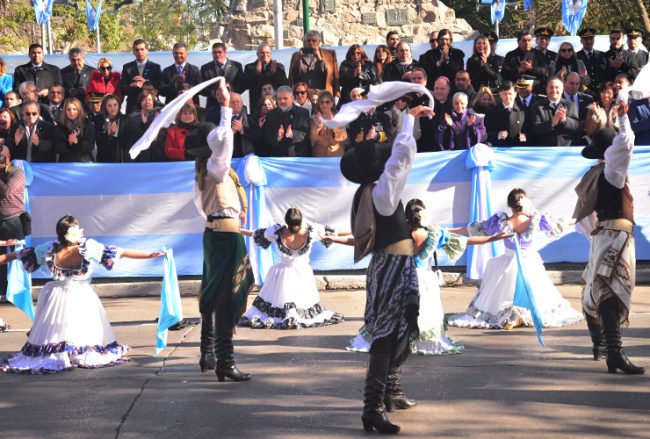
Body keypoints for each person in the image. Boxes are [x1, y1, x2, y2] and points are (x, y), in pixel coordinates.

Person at [335, 102, 434, 434]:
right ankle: (372, 407)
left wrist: (408, 121)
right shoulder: (381, 192)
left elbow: (398, 160)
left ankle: (389, 393)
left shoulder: (370, 190)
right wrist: (408, 121)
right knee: (386, 334)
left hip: (393, 263)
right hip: (392, 264)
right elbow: (402, 159)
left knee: (396, 329)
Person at [0, 215, 164, 373]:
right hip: (81, 293)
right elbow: (121, 252)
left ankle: (61, 353)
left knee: (56, 328)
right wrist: (150, 255)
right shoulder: (88, 247)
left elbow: (15, 255)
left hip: (55, 295)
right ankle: (76, 352)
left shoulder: (49, 248)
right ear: (75, 230)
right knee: (81, 326)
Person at [346, 198, 511, 356]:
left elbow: (362, 240)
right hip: (425, 280)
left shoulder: (396, 233)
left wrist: (332, 238)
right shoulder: (434, 234)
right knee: (425, 312)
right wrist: (493, 238)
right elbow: (466, 241)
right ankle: (423, 342)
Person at [191, 79, 255, 380]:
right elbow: (225, 141)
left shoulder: (210, 171)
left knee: (213, 292)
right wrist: (226, 108)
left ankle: (209, 354)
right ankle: (224, 361)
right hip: (223, 236)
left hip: (217, 233)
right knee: (225, 296)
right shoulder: (216, 169)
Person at [447, 188, 584, 330]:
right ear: (525, 202)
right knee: (534, 291)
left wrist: (448, 231)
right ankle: (520, 314)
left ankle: (511, 315)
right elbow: (561, 223)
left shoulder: (502, 221)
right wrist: (582, 217)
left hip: (507, 262)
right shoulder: (535, 219)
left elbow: (475, 229)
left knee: (502, 294)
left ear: (510, 205)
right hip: (530, 262)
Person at [574, 101, 644, 374]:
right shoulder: (612, 173)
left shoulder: (595, 175)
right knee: (610, 293)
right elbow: (625, 143)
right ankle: (613, 352)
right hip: (615, 236)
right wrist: (624, 116)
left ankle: (600, 346)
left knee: (597, 288)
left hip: (604, 235)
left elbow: (584, 219)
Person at [238, 207, 344, 329]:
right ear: (301, 220)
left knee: (279, 301)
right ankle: (293, 317)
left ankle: (288, 316)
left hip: (282, 273)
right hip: (303, 272)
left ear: (287, 222)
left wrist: (238, 230)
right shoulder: (312, 231)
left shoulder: (277, 232)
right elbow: (333, 234)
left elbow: (254, 233)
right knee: (301, 301)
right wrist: (358, 232)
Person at [0, 145, 26, 297]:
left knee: (16, 258)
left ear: (8, 157)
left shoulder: (17, 172)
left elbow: (7, 192)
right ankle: (2, 290)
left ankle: (17, 293)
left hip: (13, 220)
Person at [262, 85, 311, 157]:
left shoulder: (303, 113)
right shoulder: (270, 115)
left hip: (298, 157)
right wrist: (277, 137)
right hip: (278, 158)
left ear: (292, 98)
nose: (282, 101)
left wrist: (292, 134)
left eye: (285, 98)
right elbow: (266, 136)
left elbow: (306, 133)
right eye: (279, 98)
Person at [288, 30, 340, 98]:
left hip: (322, 94)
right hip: (303, 95)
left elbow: (333, 74)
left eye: (314, 40)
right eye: (308, 40)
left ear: (319, 42)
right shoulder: (296, 55)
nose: (310, 43)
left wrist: (320, 59)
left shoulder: (329, 54)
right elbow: (292, 77)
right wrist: (297, 61)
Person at [530, 77, 581, 146]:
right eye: (551, 87)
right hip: (545, 149)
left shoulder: (570, 105)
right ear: (547, 89)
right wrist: (552, 123)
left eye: (557, 87)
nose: (554, 90)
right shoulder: (537, 106)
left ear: (562, 89)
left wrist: (565, 120)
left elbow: (577, 126)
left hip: (566, 148)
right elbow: (535, 129)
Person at [241, 43, 288, 113]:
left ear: (271, 54)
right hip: (257, 106)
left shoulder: (279, 67)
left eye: (267, 52)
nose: (265, 55)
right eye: (262, 53)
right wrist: (256, 73)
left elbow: (284, 85)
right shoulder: (250, 68)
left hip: (276, 105)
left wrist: (275, 73)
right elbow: (244, 86)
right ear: (257, 55)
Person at [120, 39, 162, 114]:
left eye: (142, 49)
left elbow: (159, 87)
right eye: (137, 50)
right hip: (133, 105)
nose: (140, 52)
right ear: (133, 52)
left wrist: (145, 82)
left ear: (147, 50)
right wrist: (131, 85)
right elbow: (123, 88)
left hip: (151, 104)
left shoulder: (155, 67)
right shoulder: (127, 67)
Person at [200, 42, 245, 109]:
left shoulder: (236, 66)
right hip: (212, 106)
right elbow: (201, 88)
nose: (217, 54)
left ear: (225, 53)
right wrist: (211, 92)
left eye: (219, 52)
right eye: (214, 53)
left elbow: (242, 86)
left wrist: (231, 89)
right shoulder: (205, 68)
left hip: (232, 104)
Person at [124, 92, 164, 162]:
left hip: (156, 155)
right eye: (144, 99)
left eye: (149, 99)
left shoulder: (159, 114)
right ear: (140, 102)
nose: (147, 102)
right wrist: (143, 125)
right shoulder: (133, 117)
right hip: (140, 156)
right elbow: (132, 137)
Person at [485, 81, 527, 146]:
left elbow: (531, 130)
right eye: (505, 94)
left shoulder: (524, 110)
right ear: (500, 94)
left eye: (510, 94)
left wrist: (525, 136)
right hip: (498, 149)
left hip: (518, 149)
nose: (507, 97)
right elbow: (485, 132)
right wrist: (497, 135)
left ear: (515, 94)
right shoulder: (491, 111)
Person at [55, 98, 96, 162]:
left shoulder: (88, 124)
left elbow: (90, 146)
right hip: (65, 163)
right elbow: (57, 148)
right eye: (68, 109)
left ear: (79, 110)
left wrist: (77, 141)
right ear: (65, 111)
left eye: (74, 109)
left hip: (83, 163)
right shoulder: (60, 126)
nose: (71, 112)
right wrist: (69, 143)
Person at [310, 90, 347, 157]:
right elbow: (313, 138)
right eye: (322, 102)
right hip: (319, 154)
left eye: (327, 102)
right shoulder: (314, 118)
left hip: (337, 154)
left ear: (332, 103)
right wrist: (319, 125)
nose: (324, 105)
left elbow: (342, 137)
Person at [95, 94, 129, 163]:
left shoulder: (126, 119)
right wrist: (107, 134)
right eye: (109, 105)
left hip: (120, 160)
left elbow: (126, 143)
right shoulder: (98, 120)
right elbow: (97, 141)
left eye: (115, 105)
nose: (113, 108)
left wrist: (115, 134)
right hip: (103, 160)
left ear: (119, 106)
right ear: (105, 107)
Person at [576, 27, 608, 94]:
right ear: (581, 41)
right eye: (586, 39)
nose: (589, 41)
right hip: (583, 93)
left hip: (601, 92)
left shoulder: (602, 56)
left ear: (594, 40)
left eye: (591, 38)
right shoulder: (576, 57)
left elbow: (606, 75)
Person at [229, 92, 254, 157]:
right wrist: (230, 132)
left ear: (242, 104)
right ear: (227, 104)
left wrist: (242, 129)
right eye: (232, 102)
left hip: (247, 157)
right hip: (228, 158)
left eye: (238, 102)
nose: (235, 104)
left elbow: (257, 136)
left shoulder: (250, 118)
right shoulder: (222, 119)